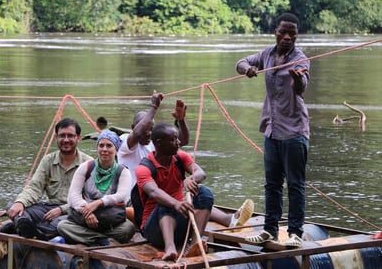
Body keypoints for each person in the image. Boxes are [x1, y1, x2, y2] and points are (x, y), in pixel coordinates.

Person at [118, 92, 254, 228]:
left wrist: (181, 121)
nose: (148, 133)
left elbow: (181, 141)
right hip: (137, 201)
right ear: (132, 128)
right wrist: (154, 107)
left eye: (151, 129)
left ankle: (228, 219)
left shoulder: (155, 143)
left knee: (193, 197)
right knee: (171, 203)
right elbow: (138, 133)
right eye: (145, 129)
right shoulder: (126, 144)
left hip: (161, 195)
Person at [235, 13, 310, 247]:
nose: (287, 37)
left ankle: (296, 233)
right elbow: (240, 63)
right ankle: (270, 231)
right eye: (283, 33)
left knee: (295, 184)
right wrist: (248, 68)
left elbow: (301, 88)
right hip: (271, 131)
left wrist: (296, 79)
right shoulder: (267, 54)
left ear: (296, 36)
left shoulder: (300, 59)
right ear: (276, 32)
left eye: (292, 34)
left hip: (294, 132)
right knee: (272, 184)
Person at [1, 118, 93, 240]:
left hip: (73, 211)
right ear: (56, 138)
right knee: (12, 205)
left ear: (78, 138)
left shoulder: (89, 164)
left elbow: (90, 198)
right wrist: (20, 203)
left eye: (70, 136)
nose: (66, 140)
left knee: (61, 225)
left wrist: (61, 209)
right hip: (49, 208)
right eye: (62, 136)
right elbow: (35, 187)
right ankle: (27, 227)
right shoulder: (48, 160)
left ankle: (23, 228)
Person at [135, 122, 213, 261]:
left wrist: (191, 179)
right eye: (173, 140)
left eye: (177, 139)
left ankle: (195, 244)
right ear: (159, 144)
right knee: (166, 202)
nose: (178, 142)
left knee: (205, 193)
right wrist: (176, 204)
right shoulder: (144, 168)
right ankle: (169, 248)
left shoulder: (180, 157)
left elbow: (201, 172)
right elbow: (153, 192)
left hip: (179, 223)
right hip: (154, 230)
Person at [57, 130, 135, 246]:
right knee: (62, 226)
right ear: (97, 148)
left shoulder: (123, 171)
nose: (104, 149)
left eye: (109, 146)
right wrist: (87, 212)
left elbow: (122, 196)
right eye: (101, 145)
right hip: (85, 219)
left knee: (128, 228)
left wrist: (99, 202)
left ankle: (90, 238)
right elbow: (73, 195)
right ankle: (101, 241)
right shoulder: (86, 167)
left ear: (116, 150)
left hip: (110, 220)